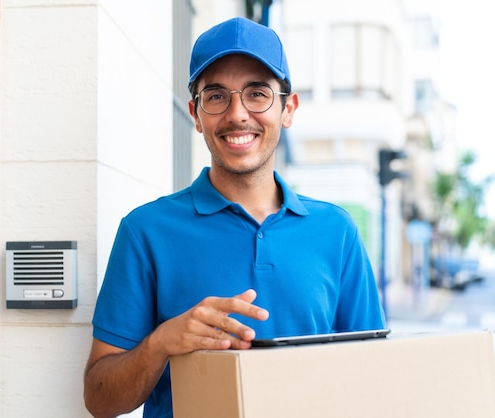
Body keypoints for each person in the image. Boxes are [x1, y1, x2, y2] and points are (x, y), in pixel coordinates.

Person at [84, 16, 386, 418]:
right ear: (195, 113)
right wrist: (161, 343)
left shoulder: (337, 232)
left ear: (288, 108)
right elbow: (100, 400)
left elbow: (373, 380)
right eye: (216, 96)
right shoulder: (145, 231)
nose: (237, 114)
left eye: (257, 94)